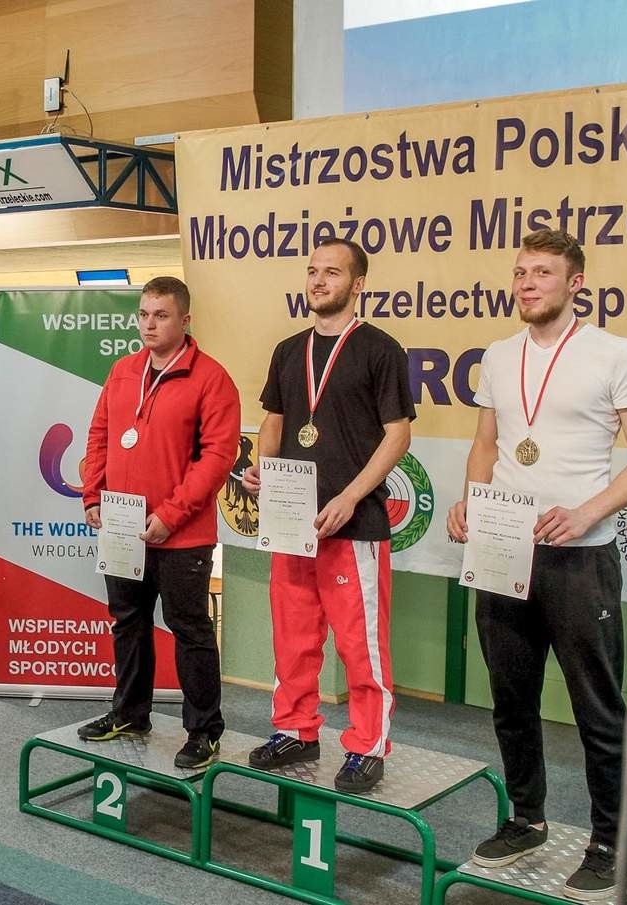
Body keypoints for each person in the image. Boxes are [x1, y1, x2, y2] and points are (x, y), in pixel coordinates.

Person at [446, 229, 627, 901]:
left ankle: (607, 843)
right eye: (519, 272)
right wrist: (472, 499)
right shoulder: (498, 355)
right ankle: (526, 818)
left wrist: (587, 511)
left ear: (575, 283)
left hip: (579, 559)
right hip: (504, 550)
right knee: (510, 697)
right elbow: (486, 444)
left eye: (541, 272)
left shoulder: (615, 354)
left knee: (596, 707)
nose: (527, 283)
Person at [242, 238, 414, 794]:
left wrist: (352, 496)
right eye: (313, 271)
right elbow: (275, 419)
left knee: (360, 645)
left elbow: (397, 435)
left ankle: (367, 744)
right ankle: (296, 728)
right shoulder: (288, 350)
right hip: (293, 522)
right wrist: (265, 467)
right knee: (293, 636)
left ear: (357, 284)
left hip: (352, 524)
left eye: (332, 273)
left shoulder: (380, 350)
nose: (318, 281)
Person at [78, 276, 240, 769]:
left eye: (161, 316)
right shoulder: (123, 371)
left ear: (185, 320)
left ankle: (204, 731)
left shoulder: (212, 379)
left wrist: (170, 516)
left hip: (181, 536)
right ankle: (130, 713)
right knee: (127, 622)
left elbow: (217, 458)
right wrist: (92, 494)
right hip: (123, 527)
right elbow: (100, 434)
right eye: (144, 315)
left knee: (190, 629)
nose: (149, 325)